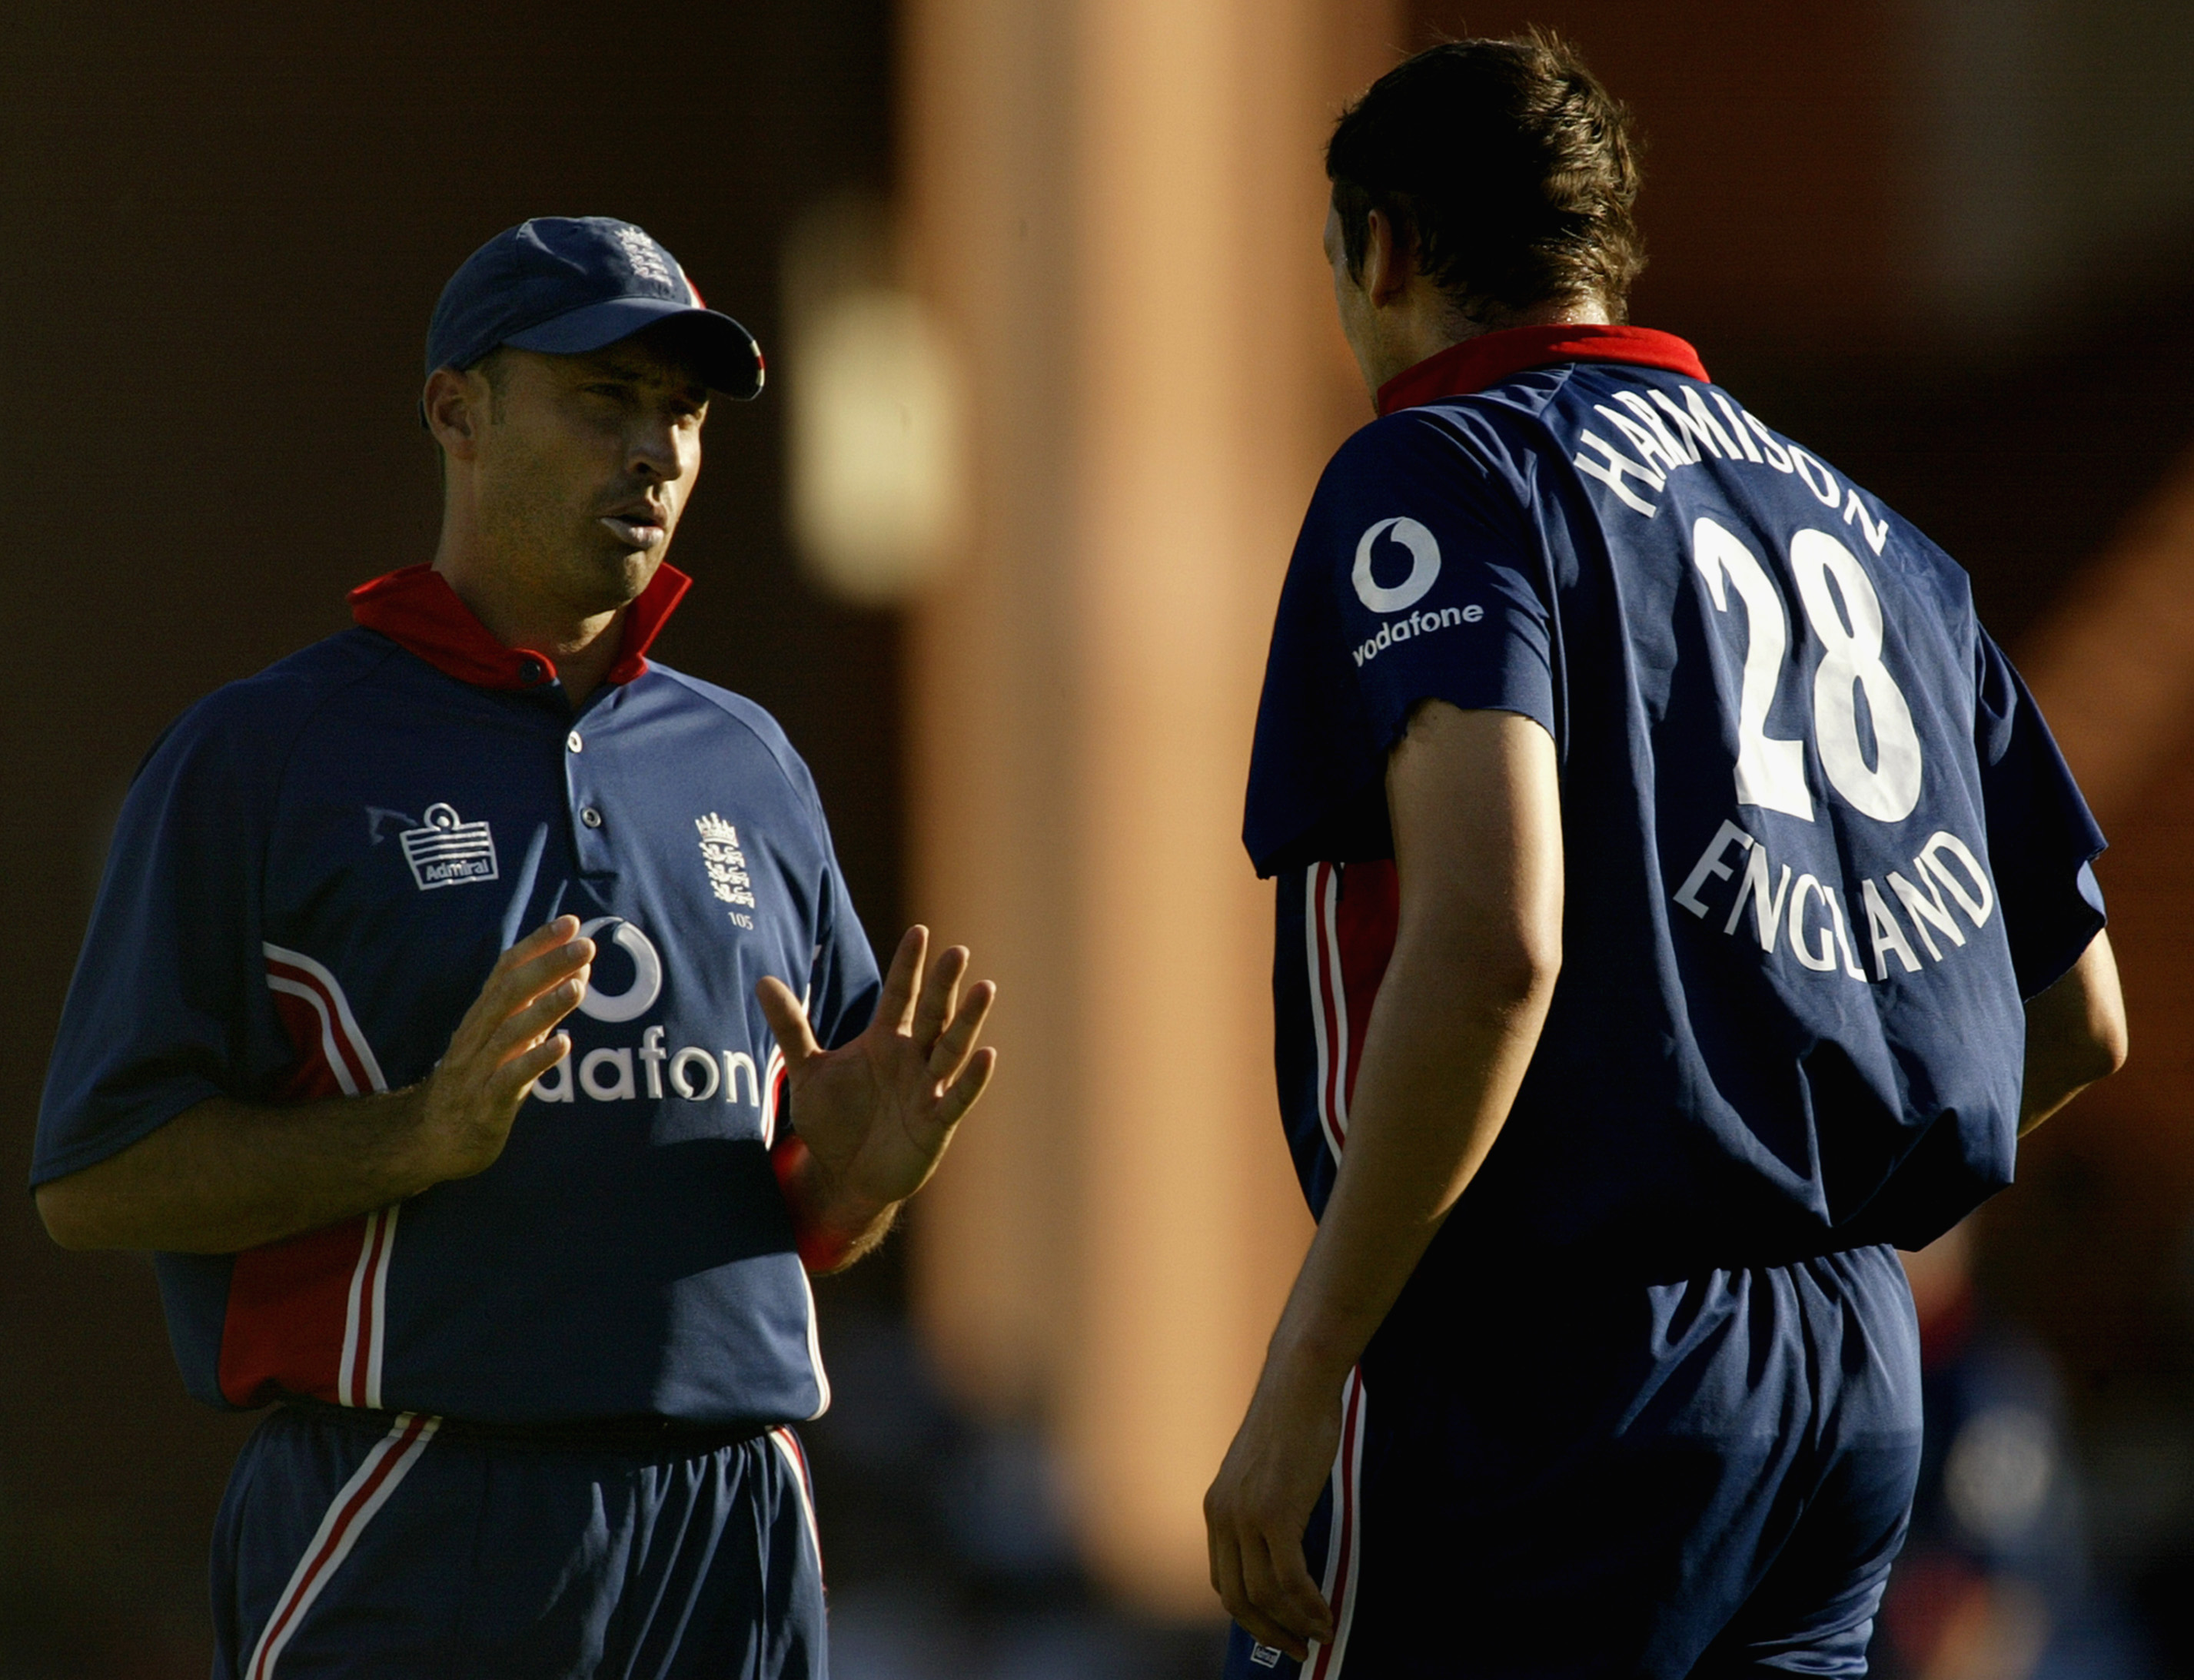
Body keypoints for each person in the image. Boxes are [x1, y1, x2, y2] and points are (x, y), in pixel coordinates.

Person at [1203, 35, 2127, 1679]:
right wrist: (1801, 1194)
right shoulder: (1880, 536)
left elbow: (1492, 940)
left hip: (1557, 1362)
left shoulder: (1439, 466)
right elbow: (2081, 1017)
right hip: (1848, 1369)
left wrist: (1308, 1362)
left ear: (1386, 245)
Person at [32, 216, 996, 1678]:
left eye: (680, 415)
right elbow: (95, 1179)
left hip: (731, 1510)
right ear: (457, 410)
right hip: (412, 1495)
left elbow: (803, 1209)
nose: (656, 453)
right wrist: (414, 1134)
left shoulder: (749, 761)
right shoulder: (267, 753)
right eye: (603, 401)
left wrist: (855, 1188)